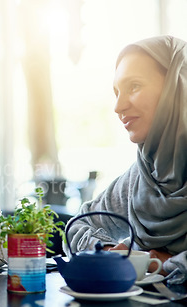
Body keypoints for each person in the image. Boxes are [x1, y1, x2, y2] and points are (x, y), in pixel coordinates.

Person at [66, 35, 187, 284]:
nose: (118, 106)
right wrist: (109, 253)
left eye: (134, 86)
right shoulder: (143, 176)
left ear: (177, 85)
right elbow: (77, 226)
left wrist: (167, 264)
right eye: (116, 92)